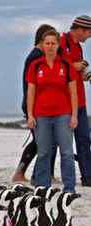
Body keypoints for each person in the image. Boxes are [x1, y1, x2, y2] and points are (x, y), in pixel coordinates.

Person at [26, 30, 78, 193]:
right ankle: (43, 188)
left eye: (53, 43)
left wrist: (74, 115)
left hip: (63, 114)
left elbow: (73, 92)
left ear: (58, 45)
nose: (50, 46)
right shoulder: (35, 65)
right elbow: (31, 92)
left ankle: (69, 189)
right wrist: (30, 115)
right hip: (41, 116)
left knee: (67, 153)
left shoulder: (65, 65)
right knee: (43, 153)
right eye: (47, 43)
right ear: (42, 45)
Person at [12, 24, 57, 183]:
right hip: (35, 105)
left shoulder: (39, 55)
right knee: (42, 141)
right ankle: (22, 173)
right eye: (49, 41)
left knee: (45, 141)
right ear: (42, 39)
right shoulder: (36, 57)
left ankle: (44, 173)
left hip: (39, 105)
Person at [59, 15, 91, 186]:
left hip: (80, 100)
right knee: (63, 143)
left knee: (84, 139)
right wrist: (74, 66)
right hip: (65, 102)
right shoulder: (61, 42)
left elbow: (75, 72)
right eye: (88, 34)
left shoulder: (78, 47)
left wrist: (85, 74)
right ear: (80, 30)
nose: (89, 37)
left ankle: (87, 177)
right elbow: (56, 66)